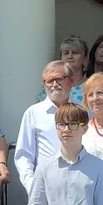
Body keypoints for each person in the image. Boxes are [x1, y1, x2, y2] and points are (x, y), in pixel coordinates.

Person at [15, 61, 69, 194]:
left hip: (78, 187)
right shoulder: (34, 113)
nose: (54, 85)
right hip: (45, 189)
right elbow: (23, 155)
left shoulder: (82, 110)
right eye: (49, 81)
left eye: (59, 79)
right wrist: (32, 185)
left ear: (71, 80)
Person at [59, 36, 89, 103]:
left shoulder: (93, 86)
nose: (70, 56)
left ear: (84, 58)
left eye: (75, 52)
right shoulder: (52, 86)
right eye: (66, 53)